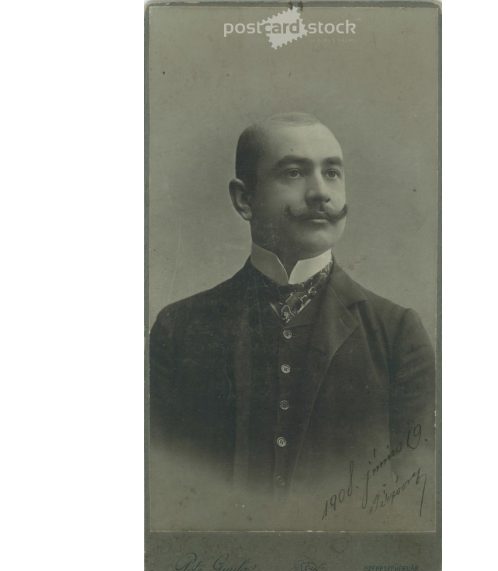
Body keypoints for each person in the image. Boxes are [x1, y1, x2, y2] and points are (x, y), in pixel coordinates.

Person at [149, 112, 435, 512]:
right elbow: (166, 493)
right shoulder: (179, 330)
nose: (320, 193)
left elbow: (414, 504)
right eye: (295, 173)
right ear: (244, 199)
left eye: (332, 173)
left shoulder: (397, 335)